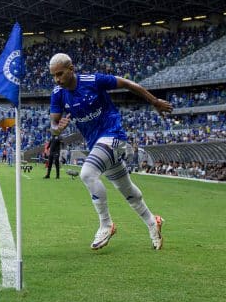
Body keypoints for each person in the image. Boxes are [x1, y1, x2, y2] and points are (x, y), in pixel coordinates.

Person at [48, 53, 172, 251]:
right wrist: (57, 127)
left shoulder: (93, 80)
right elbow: (54, 124)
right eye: (53, 76)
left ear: (71, 69)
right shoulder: (57, 93)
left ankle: (106, 224)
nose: (57, 79)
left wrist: (154, 101)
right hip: (97, 143)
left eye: (60, 74)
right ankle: (152, 222)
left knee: (87, 173)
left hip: (114, 136)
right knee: (127, 189)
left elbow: (129, 84)